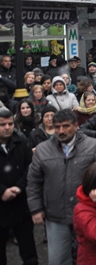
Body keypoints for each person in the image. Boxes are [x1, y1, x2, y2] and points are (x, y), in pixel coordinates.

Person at [27, 109, 96, 265]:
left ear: (76, 125)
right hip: (55, 214)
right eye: (57, 127)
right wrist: (36, 209)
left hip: (86, 213)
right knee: (58, 260)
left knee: (90, 258)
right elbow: (34, 181)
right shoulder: (42, 150)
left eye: (65, 126)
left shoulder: (92, 146)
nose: (61, 131)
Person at [0, 107, 38, 265]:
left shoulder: (21, 141)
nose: (7, 127)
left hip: (20, 203)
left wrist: (18, 187)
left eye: (10, 124)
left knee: (28, 248)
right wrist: (2, 191)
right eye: (2, 125)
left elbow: (30, 166)